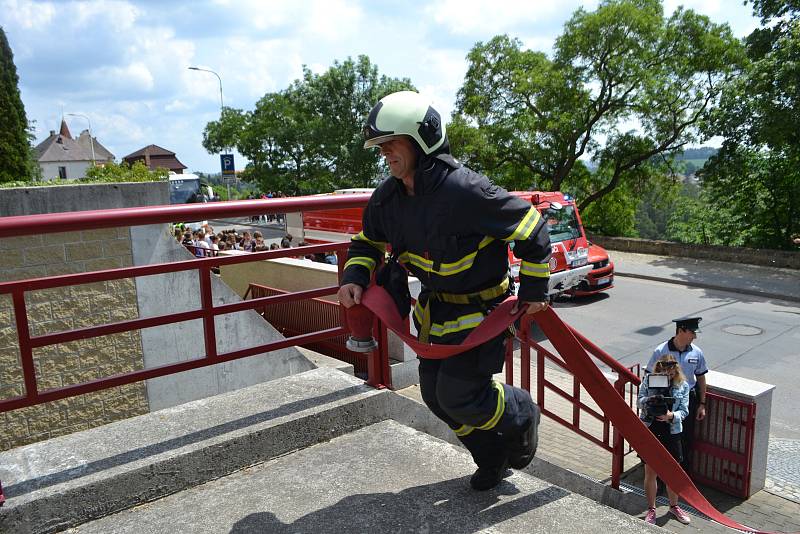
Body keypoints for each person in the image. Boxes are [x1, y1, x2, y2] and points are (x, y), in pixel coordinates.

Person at [337, 91, 551, 491]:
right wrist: (354, 277)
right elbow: (367, 243)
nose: (385, 154)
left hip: (483, 315)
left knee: (457, 394)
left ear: (422, 139)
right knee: (436, 397)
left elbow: (532, 227)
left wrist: (535, 288)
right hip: (435, 317)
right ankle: (492, 459)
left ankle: (522, 414)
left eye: (392, 144)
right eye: (381, 148)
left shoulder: (466, 192)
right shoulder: (387, 199)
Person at [646, 317, 708, 473]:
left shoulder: (697, 352)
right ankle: (661, 479)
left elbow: (700, 378)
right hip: (664, 402)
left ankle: (682, 480)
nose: (695, 336)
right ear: (681, 331)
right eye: (692, 332)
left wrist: (702, 404)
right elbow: (649, 379)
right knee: (663, 440)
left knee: (685, 439)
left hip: (687, 402)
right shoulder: (661, 351)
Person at [638, 355, 692, 525]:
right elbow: (639, 402)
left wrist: (670, 415)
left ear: (676, 369)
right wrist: (649, 400)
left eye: (670, 370)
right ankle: (651, 509)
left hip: (672, 431)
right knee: (650, 471)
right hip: (651, 428)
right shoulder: (650, 380)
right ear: (658, 368)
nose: (667, 373)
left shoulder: (682, 385)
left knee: (673, 472)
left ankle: (674, 506)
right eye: (662, 370)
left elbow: (684, 411)